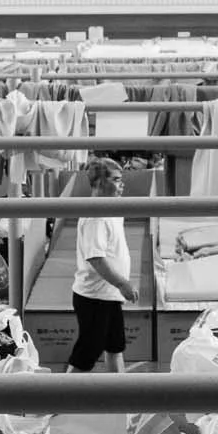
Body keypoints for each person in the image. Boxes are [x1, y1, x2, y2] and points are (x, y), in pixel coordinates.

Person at [67, 158, 137, 374]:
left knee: (115, 346)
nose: (121, 185)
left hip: (108, 295)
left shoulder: (111, 208)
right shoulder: (95, 216)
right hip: (95, 297)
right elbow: (96, 259)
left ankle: (121, 399)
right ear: (99, 183)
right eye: (116, 180)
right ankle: (61, 398)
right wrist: (122, 283)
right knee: (88, 351)